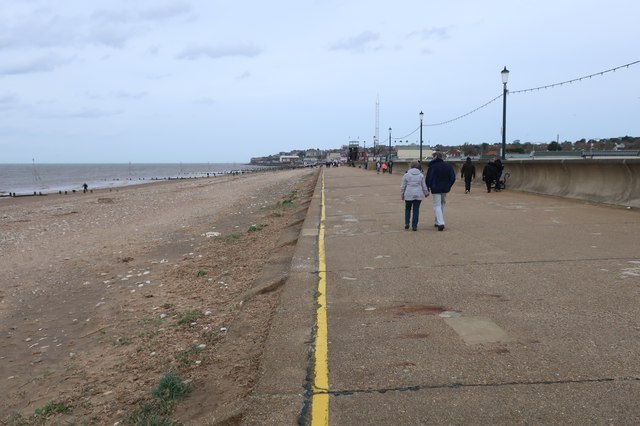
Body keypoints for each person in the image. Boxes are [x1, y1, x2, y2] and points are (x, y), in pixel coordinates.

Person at [425, 151, 456, 231]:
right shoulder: (448, 166)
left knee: (437, 205)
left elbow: (429, 178)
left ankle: (440, 222)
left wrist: (427, 187)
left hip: (435, 188)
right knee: (442, 204)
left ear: (435, 156)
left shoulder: (432, 166)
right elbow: (453, 177)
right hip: (445, 188)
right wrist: (449, 185)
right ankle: (437, 221)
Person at [400, 161, 429, 231]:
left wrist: (402, 194)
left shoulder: (406, 175)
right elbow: (424, 186)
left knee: (407, 209)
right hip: (418, 193)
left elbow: (403, 186)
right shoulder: (421, 175)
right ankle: (414, 226)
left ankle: (407, 223)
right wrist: (426, 193)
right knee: (416, 210)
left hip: (408, 193)